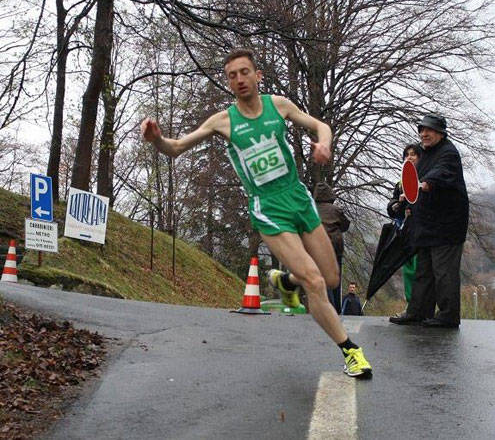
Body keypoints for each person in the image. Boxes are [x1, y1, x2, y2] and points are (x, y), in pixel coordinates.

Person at [141, 48, 372, 378]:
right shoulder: (223, 121)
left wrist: (324, 144)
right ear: (229, 82)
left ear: (257, 75)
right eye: (232, 75)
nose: (239, 79)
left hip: (299, 198)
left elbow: (321, 126)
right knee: (316, 282)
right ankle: (351, 351)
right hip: (268, 208)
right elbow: (176, 148)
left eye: (244, 72)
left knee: (331, 277)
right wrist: (157, 139)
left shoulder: (279, 105)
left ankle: (287, 282)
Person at [390, 114, 469, 328]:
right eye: (421, 130)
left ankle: (448, 316)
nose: (424, 134)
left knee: (444, 273)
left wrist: (426, 183)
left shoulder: (448, 153)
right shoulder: (424, 154)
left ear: (441, 133)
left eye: (429, 130)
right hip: (425, 225)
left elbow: (440, 174)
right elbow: (412, 182)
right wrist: (404, 199)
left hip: (447, 226)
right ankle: (418, 312)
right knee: (423, 272)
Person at [387, 144, 422, 320]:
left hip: (423, 232)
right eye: (407, 155)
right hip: (406, 231)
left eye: (414, 154)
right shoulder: (400, 183)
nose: (410, 157)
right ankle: (411, 307)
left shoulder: (426, 178)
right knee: (409, 269)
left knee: (422, 271)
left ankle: (423, 308)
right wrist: (397, 204)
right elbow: (392, 207)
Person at [313, 182, 350, 314]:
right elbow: (346, 225)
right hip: (335, 247)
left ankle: (325, 307)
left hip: (317, 246)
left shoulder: (310, 209)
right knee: (335, 278)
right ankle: (336, 308)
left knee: (320, 277)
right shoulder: (336, 210)